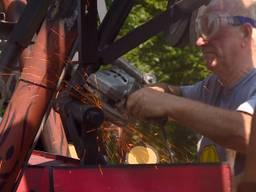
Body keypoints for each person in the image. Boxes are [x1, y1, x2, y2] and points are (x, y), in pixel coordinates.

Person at [126, 0, 256, 176]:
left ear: (244, 33)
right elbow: (176, 94)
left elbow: (247, 132)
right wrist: (156, 92)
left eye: (210, 26)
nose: (199, 41)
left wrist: (167, 103)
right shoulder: (213, 86)